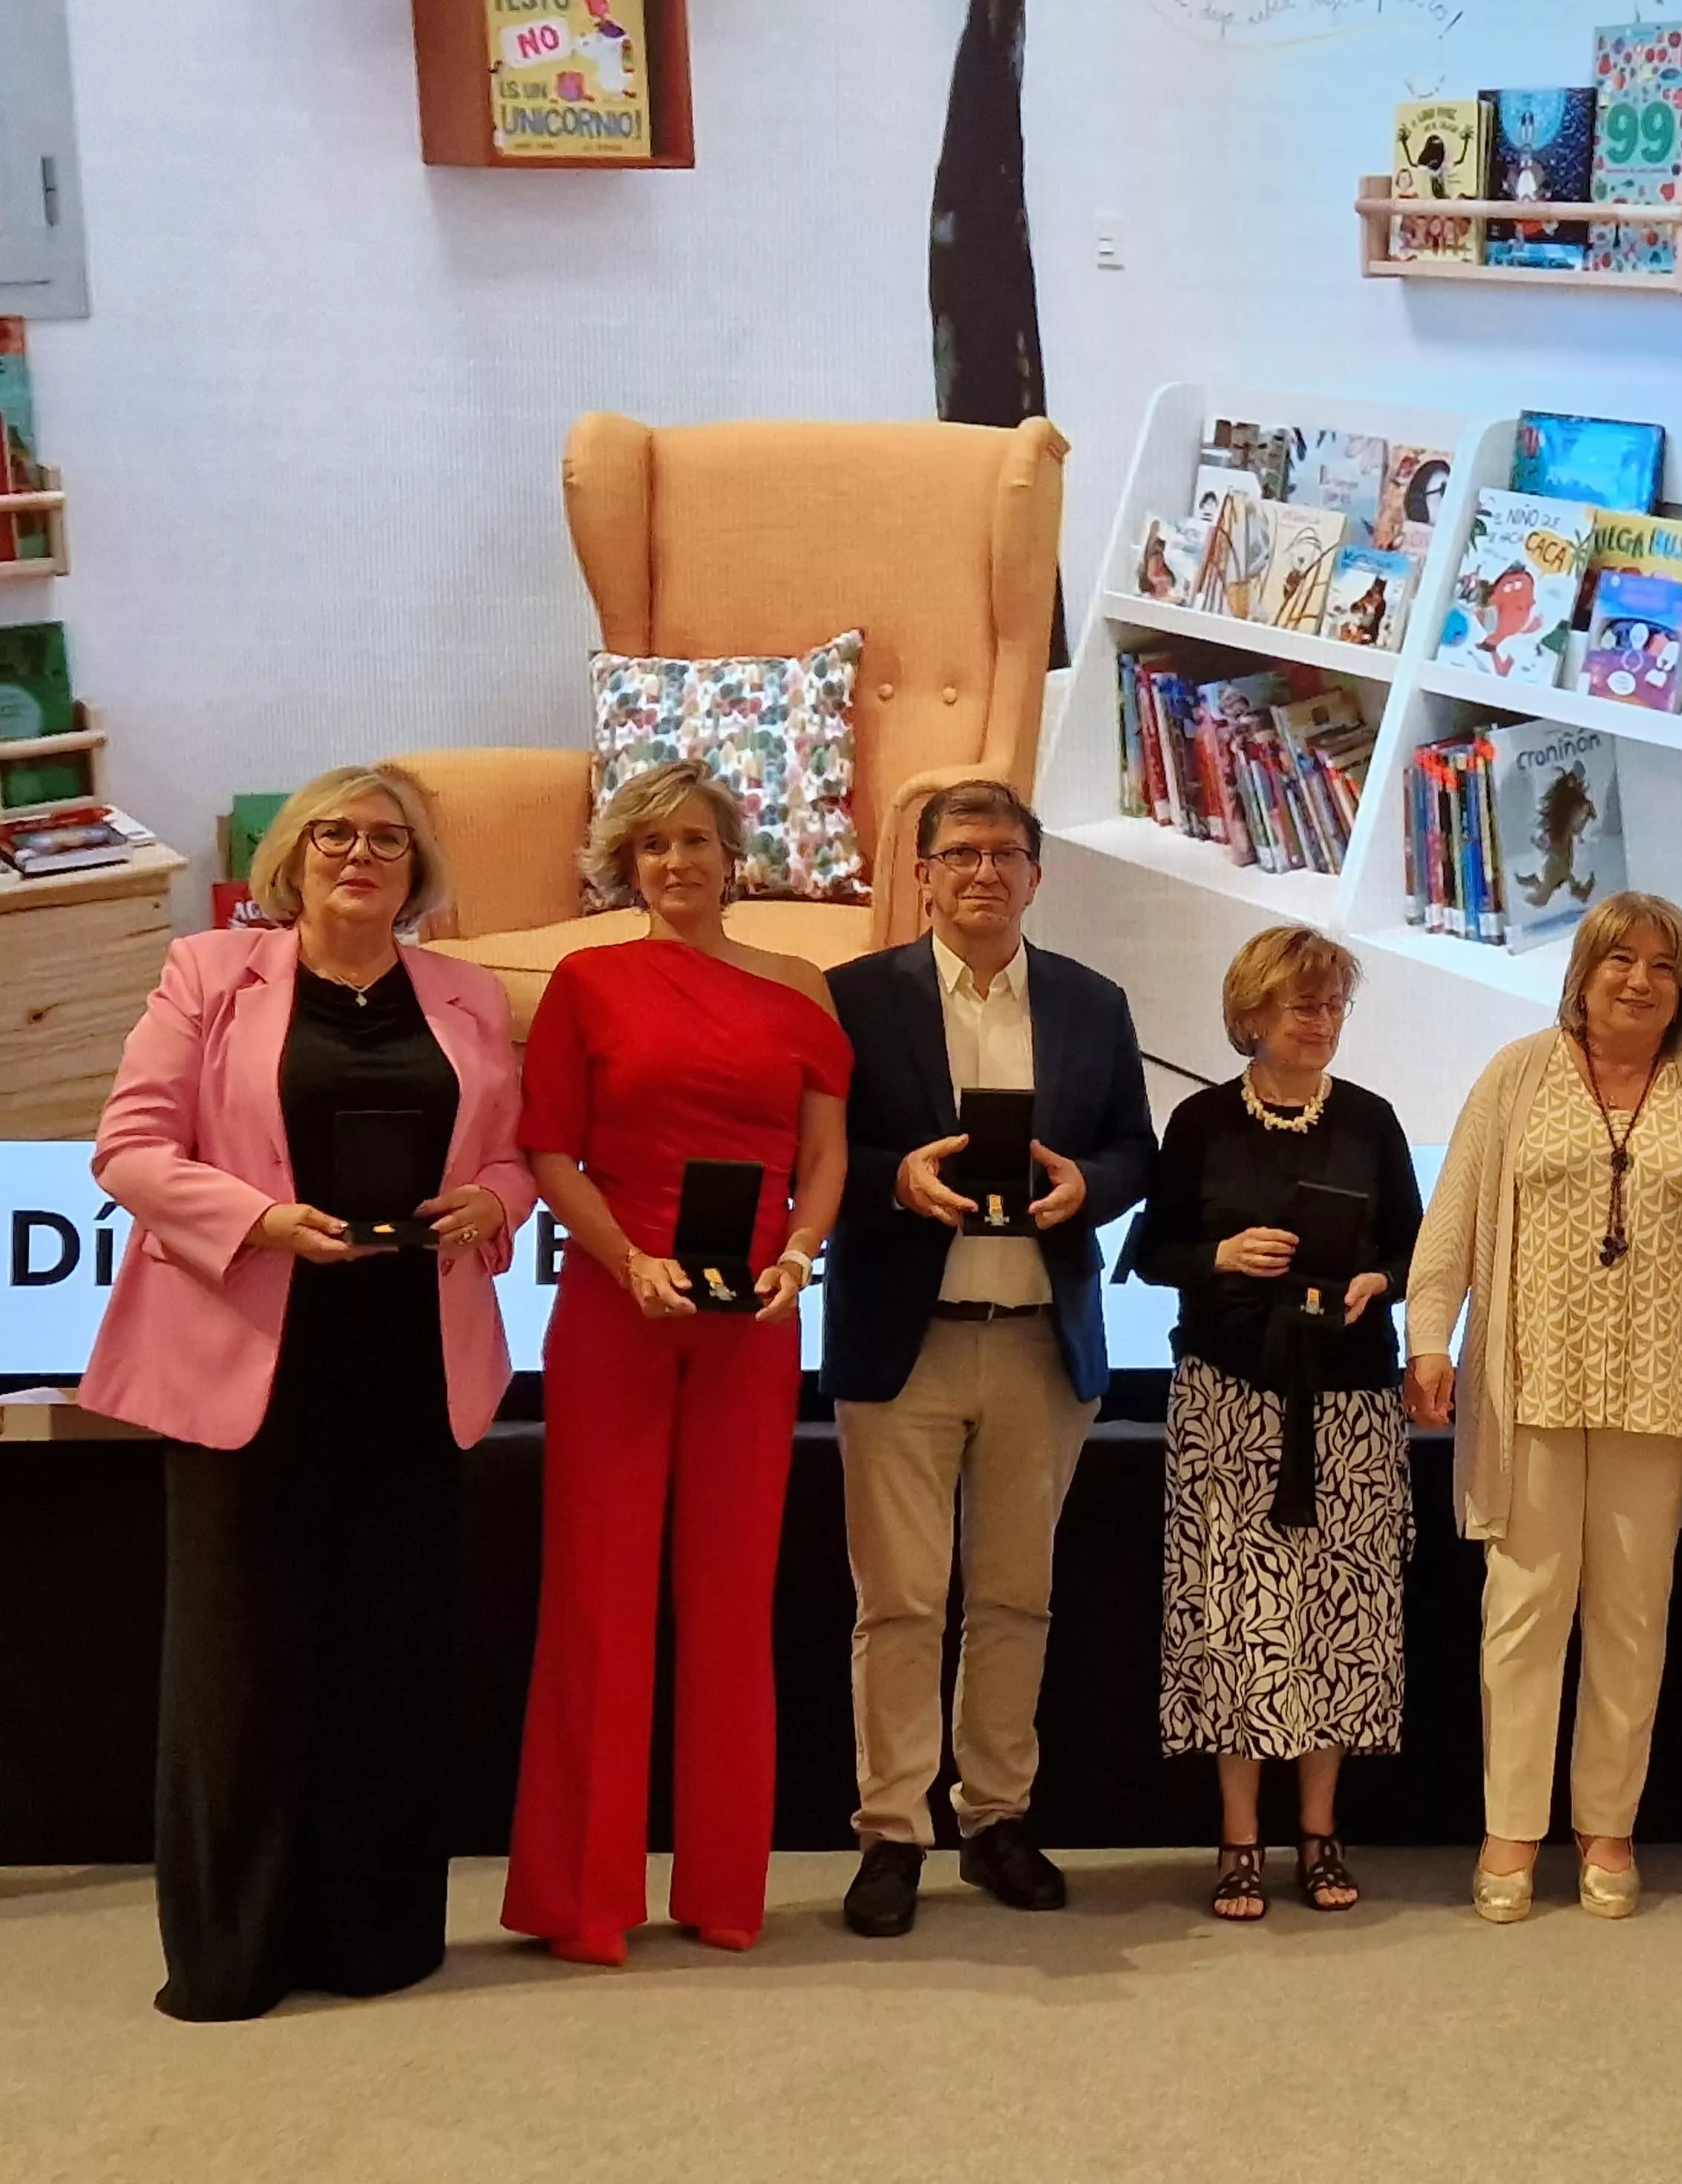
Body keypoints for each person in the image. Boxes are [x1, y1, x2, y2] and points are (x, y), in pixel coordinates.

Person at [81, 766, 531, 2021]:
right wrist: (264, 1220)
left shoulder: (467, 992)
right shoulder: (209, 975)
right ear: (294, 854)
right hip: (249, 1363)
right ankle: (234, 1954)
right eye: (336, 832)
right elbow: (130, 1145)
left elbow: (506, 1146)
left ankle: (376, 1937)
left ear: (417, 867)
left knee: (388, 1662)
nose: (362, 854)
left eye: (389, 839)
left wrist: (498, 1200)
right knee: (241, 1669)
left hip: (410, 1365)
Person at [502, 761, 852, 1966]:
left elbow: (827, 1153)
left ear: (731, 855)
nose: (678, 865)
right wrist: (629, 1262)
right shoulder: (587, 985)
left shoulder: (800, 986)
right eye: (654, 848)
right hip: (617, 1310)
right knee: (598, 1599)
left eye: (697, 842)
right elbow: (549, 1151)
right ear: (628, 864)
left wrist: (801, 1258)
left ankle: (723, 1891)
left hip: (754, 1320)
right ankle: (583, 1901)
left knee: (730, 1603)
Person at [825, 780, 1156, 1938]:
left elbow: (1133, 1152)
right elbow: (818, 1155)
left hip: (1037, 1344)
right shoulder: (856, 999)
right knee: (901, 1602)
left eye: (1004, 853)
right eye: (958, 853)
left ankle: (997, 1818)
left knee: (1018, 1597)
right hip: (901, 1342)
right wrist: (892, 1180)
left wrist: (1086, 1190)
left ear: (1036, 874)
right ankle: (891, 1833)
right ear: (922, 874)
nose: (981, 873)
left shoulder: (1090, 1001)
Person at [1407, 892, 1682, 1923]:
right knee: (1522, 1614)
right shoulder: (1516, 1074)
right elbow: (1454, 1224)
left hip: (1660, 1394)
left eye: (1664, 965)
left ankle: (1607, 1829)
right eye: (1621, 960)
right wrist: (1430, 1338)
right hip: (1528, 1390)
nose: (1640, 980)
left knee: (1631, 1620)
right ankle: (1510, 1831)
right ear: (1584, 971)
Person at [1119, 927, 1423, 1920]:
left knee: (1338, 1621)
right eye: (1304, 1006)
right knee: (1233, 1618)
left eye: (1336, 1006)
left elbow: (1420, 1252)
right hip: (1229, 1404)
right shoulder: (1202, 1123)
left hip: (1347, 1404)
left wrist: (1383, 1280)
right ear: (1253, 1014)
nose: (1323, 1023)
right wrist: (1222, 1255)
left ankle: (1320, 1835)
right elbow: (1153, 1252)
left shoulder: (1374, 1121)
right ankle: (1240, 1840)